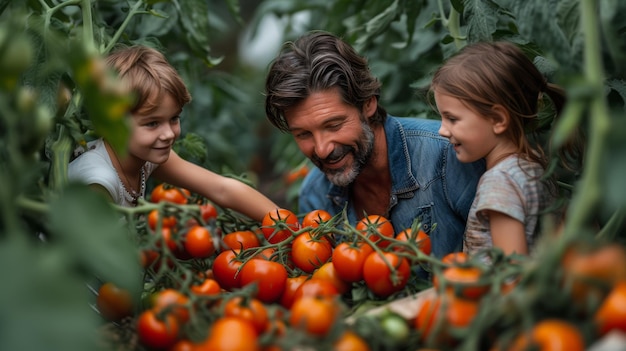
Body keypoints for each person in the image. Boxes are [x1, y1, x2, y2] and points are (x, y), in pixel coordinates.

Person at [264, 31, 485, 259]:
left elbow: (501, 262)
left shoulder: (447, 155)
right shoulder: (316, 196)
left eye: (334, 125)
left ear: (368, 104)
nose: (322, 149)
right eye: (303, 134)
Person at [68, 45, 278, 222]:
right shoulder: (97, 182)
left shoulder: (143, 156)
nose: (168, 134)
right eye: (152, 123)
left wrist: (289, 226)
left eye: (174, 118)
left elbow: (221, 188)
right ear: (111, 122)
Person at [431, 41, 566, 257]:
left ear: (498, 119)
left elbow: (510, 273)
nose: (442, 130)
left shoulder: (500, 182)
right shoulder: (537, 166)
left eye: (452, 119)